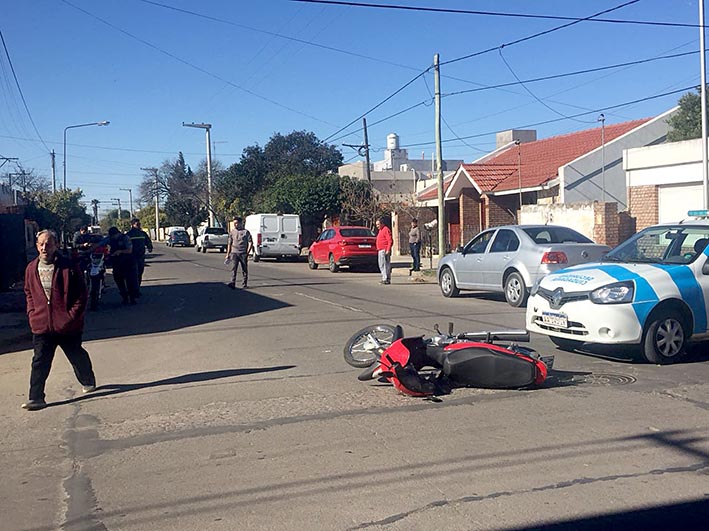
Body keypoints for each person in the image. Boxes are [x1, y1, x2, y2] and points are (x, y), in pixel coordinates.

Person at [22, 230, 97, 411]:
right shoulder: (31, 268)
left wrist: (70, 317)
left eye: (48, 244)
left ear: (56, 245)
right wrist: (32, 314)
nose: (44, 247)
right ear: (37, 246)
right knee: (39, 361)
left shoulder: (68, 267)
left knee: (76, 355)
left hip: (68, 325)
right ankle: (36, 398)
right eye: (41, 244)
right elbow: (28, 293)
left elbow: (81, 294)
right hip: (41, 326)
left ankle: (87, 379)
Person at [107, 226, 139, 304]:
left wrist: (120, 251)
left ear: (117, 233)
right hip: (117, 263)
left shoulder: (125, 238)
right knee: (118, 280)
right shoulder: (110, 239)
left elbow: (129, 250)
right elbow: (100, 244)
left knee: (130, 281)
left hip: (128, 263)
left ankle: (132, 298)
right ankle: (124, 297)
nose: (113, 237)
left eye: (114, 235)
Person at [226, 216, 253, 289]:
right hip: (234, 253)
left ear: (241, 223)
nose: (235, 225)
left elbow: (250, 242)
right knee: (233, 268)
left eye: (237, 223)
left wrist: (248, 252)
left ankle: (244, 284)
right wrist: (228, 254)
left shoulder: (246, 232)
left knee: (244, 269)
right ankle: (232, 282)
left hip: (243, 253)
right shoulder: (232, 232)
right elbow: (229, 243)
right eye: (234, 223)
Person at [126, 218, 153, 289]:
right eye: (137, 224)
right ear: (132, 225)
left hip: (140, 256)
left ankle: (137, 288)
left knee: (139, 273)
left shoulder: (142, 233)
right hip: (131, 257)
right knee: (133, 273)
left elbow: (148, 241)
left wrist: (150, 247)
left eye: (139, 224)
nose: (139, 226)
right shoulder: (129, 234)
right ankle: (133, 288)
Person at [375, 217, 393, 285]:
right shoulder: (381, 230)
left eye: (378, 224)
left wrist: (388, 249)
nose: (377, 226)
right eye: (376, 225)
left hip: (384, 250)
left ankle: (385, 278)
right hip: (380, 249)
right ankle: (386, 278)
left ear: (382, 224)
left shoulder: (386, 229)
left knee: (384, 264)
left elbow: (390, 240)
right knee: (381, 264)